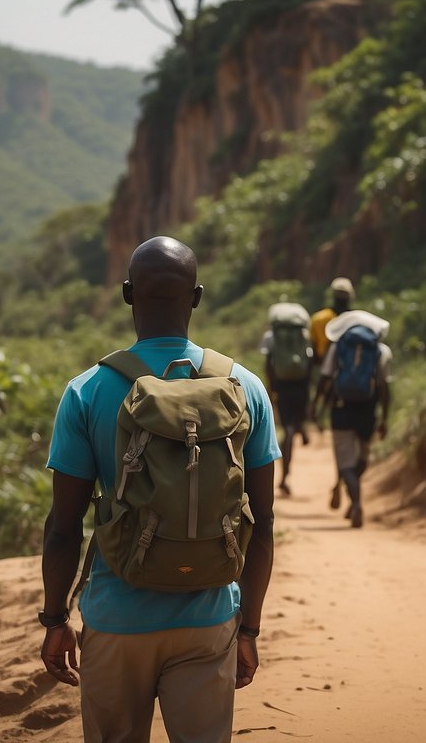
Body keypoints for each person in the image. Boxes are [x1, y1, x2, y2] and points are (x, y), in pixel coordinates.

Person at [40, 236, 280, 742]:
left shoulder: (88, 390)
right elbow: (262, 523)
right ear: (196, 297)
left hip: (116, 618)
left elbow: (64, 527)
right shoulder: (244, 387)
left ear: (129, 294)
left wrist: (56, 616)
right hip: (209, 618)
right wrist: (249, 630)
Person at [312, 309, 392, 528]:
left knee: (345, 463)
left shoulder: (338, 347)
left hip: (342, 410)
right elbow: (385, 388)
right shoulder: (381, 350)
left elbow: (325, 379)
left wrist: (317, 407)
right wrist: (384, 419)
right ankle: (352, 490)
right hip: (368, 411)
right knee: (362, 458)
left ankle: (355, 502)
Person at [308, 277, 355, 502]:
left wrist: (316, 401)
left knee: (340, 439)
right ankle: (347, 484)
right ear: (351, 297)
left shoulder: (319, 319)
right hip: (358, 386)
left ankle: (319, 417)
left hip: (332, 383)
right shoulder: (357, 322)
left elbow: (316, 355)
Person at [259, 302, 313, 497]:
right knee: (294, 423)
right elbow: (310, 361)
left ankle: (284, 475)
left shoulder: (271, 336)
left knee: (287, 429)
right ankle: (300, 427)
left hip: (282, 387)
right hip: (301, 387)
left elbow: (268, 363)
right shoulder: (304, 336)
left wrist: (271, 389)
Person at [309, 277, 355, 366]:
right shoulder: (355, 320)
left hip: (322, 366)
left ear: (333, 295)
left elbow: (312, 347)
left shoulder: (319, 318)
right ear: (350, 297)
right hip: (349, 369)